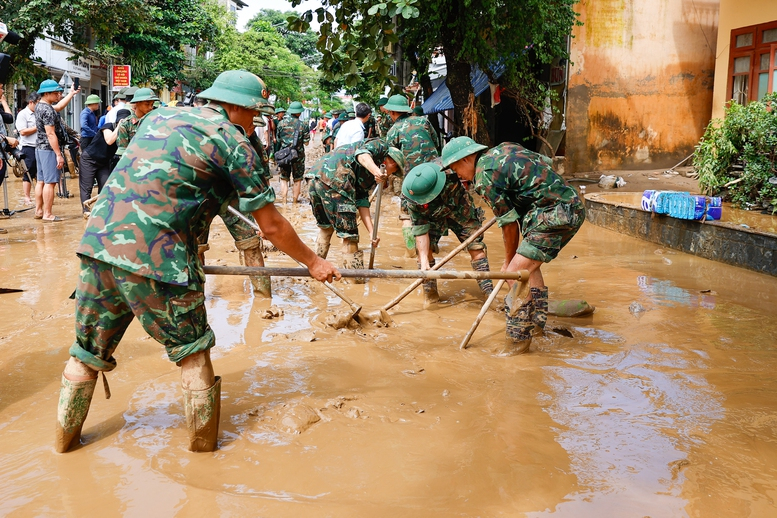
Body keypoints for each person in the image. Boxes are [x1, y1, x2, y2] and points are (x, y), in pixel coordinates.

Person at [54, 70, 340, 454]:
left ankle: (62, 448)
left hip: (98, 246)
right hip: (160, 260)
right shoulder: (234, 142)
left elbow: (164, 177)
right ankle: (204, 456)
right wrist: (313, 263)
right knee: (194, 355)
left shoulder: (159, 116)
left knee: (85, 355)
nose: (254, 122)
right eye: (254, 114)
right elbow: (271, 225)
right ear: (236, 106)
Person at [442, 137, 585, 355]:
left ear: (467, 158)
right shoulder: (504, 148)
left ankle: (518, 342)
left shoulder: (484, 177)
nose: (459, 176)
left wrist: (509, 262)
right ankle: (537, 325)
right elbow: (545, 162)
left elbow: (509, 224)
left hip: (555, 213)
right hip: (566, 204)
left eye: (456, 168)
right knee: (528, 270)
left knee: (514, 274)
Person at [307, 138, 405, 281]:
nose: (390, 175)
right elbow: (362, 154)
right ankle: (355, 282)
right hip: (336, 180)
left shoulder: (368, 175)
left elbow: (362, 202)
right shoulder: (380, 146)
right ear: (392, 163)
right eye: (394, 171)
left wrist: (372, 232)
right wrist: (377, 171)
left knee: (326, 228)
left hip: (315, 178)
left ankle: (313, 273)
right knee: (350, 237)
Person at [402, 162, 493, 305]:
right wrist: (424, 261)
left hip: (460, 209)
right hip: (431, 217)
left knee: (477, 249)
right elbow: (420, 230)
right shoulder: (413, 199)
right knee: (424, 256)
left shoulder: (451, 170)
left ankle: (490, 295)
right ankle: (431, 298)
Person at [385, 94, 442, 255]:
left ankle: (412, 251)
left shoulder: (393, 131)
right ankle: (432, 243)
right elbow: (436, 144)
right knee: (434, 210)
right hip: (434, 175)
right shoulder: (424, 121)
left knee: (406, 215)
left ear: (392, 112)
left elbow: (391, 160)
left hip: (411, 180)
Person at [34, 79, 79, 222]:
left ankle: (39, 210)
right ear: (47, 94)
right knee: (50, 182)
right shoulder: (47, 110)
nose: (59, 95)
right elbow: (51, 134)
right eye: (56, 93)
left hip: (39, 148)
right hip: (49, 149)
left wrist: (71, 94)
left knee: (41, 181)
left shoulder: (40, 106)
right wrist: (58, 154)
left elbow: (58, 107)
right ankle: (48, 214)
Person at [274, 101, 309, 203]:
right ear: (299, 113)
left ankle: (284, 201)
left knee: (284, 179)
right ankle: (294, 203)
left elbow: (279, 140)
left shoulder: (281, 124)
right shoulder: (303, 125)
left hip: (284, 155)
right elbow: (306, 143)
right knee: (297, 179)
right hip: (298, 156)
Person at [112, 87, 160, 164]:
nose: (150, 107)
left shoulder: (156, 121)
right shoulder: (126, 124)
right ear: (137, 103)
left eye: (152, 104)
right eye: (147, 104)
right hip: (133, 164)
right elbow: (123, 151)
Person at [15, 92, 40, 205]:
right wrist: (38, 127)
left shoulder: (38, 113)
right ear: (31, 102)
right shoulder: (23, 114)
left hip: (40, 146)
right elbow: (23, 132)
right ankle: (27, 197)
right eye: (37, 104)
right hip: (28, 147)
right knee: (28, 172)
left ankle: (40, 197)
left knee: (40, 172)